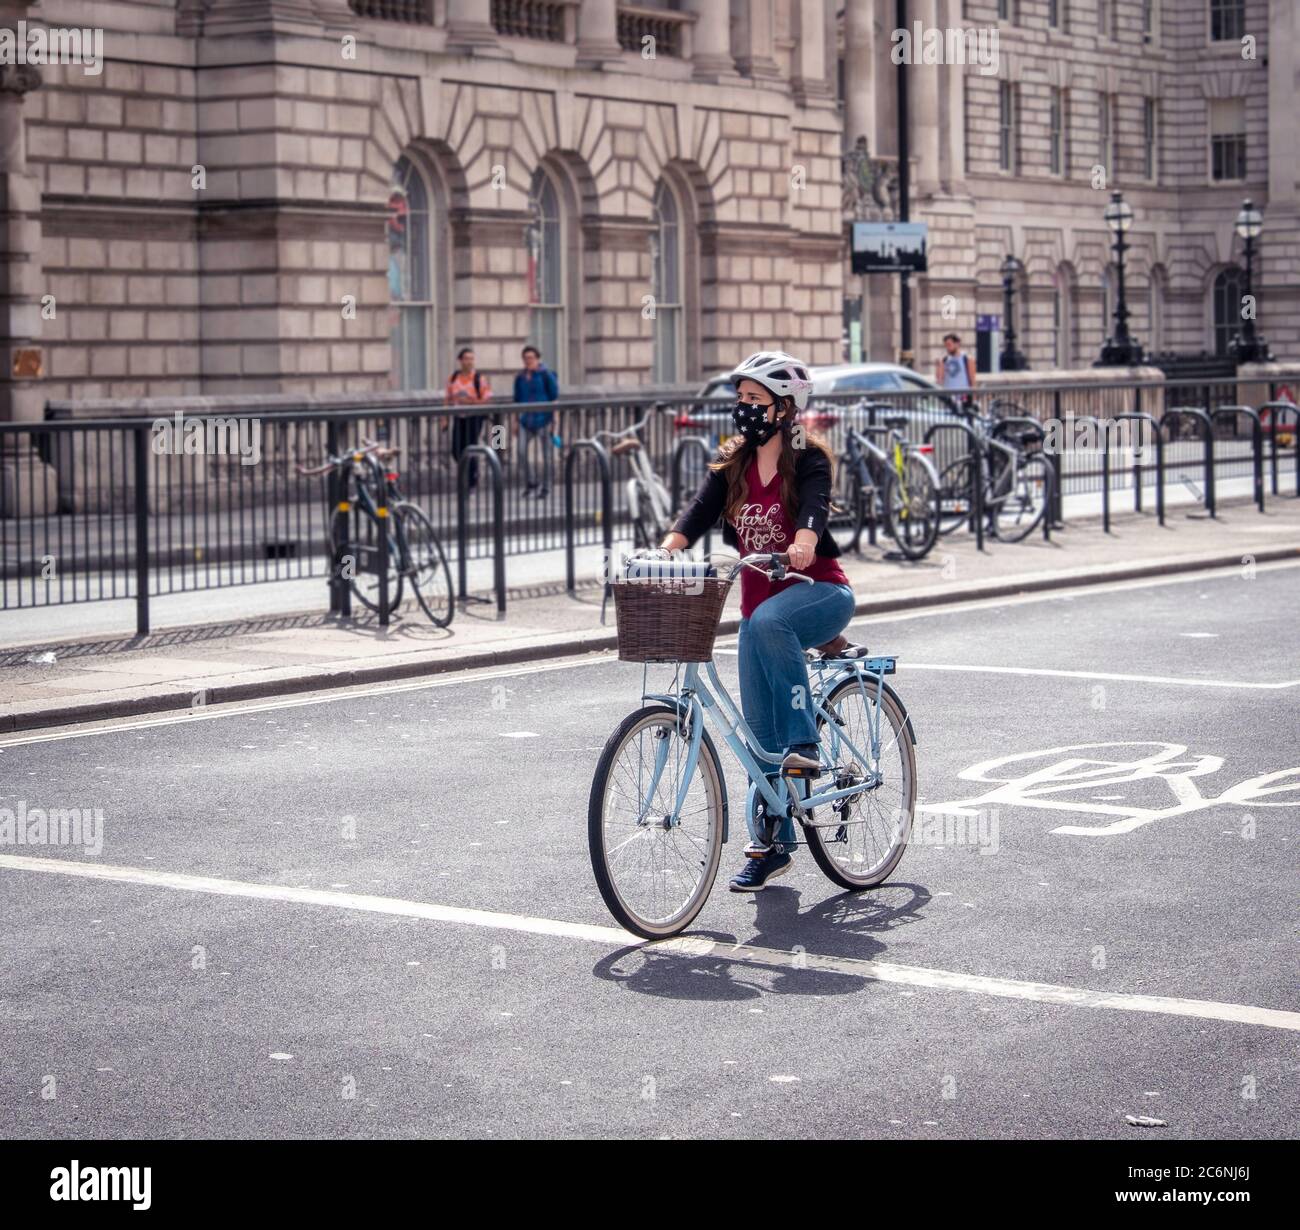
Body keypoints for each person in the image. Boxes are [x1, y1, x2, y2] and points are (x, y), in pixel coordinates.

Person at [656, 351, 856, 893]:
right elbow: (699, 510)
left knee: (769, 625)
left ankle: (805, 744)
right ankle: (772, 843)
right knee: (756, 734)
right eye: (740, 398)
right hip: (759, 614)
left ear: (785, 408)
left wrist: (805, 541)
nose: (743, 409)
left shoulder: (808, 459)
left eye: (754, 399)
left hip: (821, 594)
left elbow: (815, 506)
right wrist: (669, 546)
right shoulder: (735, 462)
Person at [513, 345, 559, 499]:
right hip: (525, 420)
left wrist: (555, 422)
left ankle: (546, 487)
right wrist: (514, 421)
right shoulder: (520, 377)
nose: (528, 361)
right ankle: (531, 482)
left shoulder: (546, 374)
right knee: (520, 451)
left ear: (538, 359)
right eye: (526, 358)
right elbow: (517, 400)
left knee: (547, 456)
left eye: (531, 358)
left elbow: (554, 397)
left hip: (544, 419)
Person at [445, 347, 492, 489]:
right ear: (460, 361)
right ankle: (468, 472)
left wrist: (470, 402)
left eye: (471, 359)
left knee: (471, 446)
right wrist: (445, 418)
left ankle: (472, 479)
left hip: (474, 417)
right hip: (459, 416)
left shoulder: (479, 379)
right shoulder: (453, 378)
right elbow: (447, 398)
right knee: (456, 449)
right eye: (466, 359)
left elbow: (486, 399)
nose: (469, 362)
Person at [936, 332, 976, 409]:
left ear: (957, 344)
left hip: (964, 395)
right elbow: (939, 380)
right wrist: (939, 365)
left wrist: (974, 398)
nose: (947, 348)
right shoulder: (944, 360)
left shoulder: (967, 359)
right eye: (946, 345)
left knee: (964, 417)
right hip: (949, 397)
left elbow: (972, 380)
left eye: (949, 345)